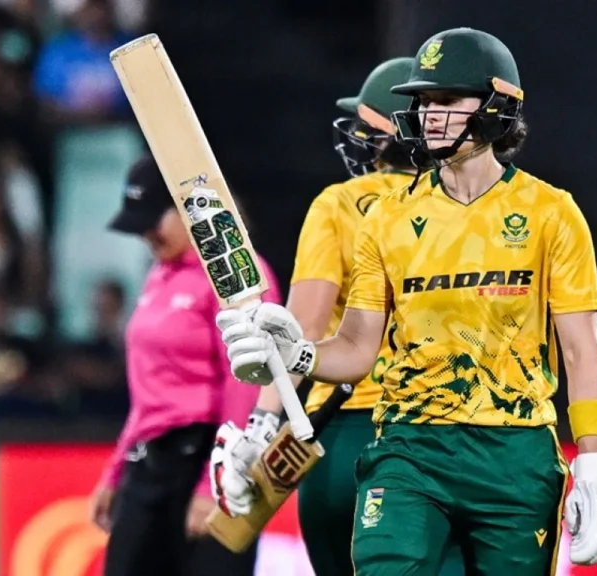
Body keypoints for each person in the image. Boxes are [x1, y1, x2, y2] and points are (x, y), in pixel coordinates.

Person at [213, 27, 597, 575]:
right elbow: (357, 348)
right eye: (423, 102)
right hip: (408, 449)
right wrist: (296, 354)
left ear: (496, 105)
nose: (430, 115)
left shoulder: (551, 213)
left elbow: (582, 349)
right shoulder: (386, 220)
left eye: (447, 100)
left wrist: (595, 460)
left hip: (516, 456)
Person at [206, 57, 464, 575]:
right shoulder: (470, 208)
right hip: (437, 439)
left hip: (340, 440)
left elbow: (301, 330)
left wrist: (261, 425)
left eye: (369, 126)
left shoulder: (339, 205)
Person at [88, 155, 280, 576]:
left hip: (212, 456)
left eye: (152, 220)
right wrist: (115, 470)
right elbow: (148, 392)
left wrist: (216, 484)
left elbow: (246, 384)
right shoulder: (160, 275)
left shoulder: (236, 274)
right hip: (150, 464)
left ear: (189, 209)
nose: (144, 234)